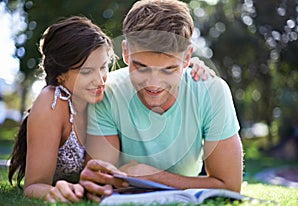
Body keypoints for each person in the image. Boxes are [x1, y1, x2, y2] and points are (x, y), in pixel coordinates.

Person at [7, 15, 213, 203]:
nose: (99, 80)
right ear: (61, 74)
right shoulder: (51, 103)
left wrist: (186, 66)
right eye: (86, 71)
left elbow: (151, 71)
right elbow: (34, 186)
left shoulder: (111, 95)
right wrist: (54, 191)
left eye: (103, 67)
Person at [80, 0, 243, 202]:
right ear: (125, 52)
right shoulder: (107, 93)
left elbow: (229, 185)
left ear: (187, 57)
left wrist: (151, 176)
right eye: (141, 67)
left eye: (169, 69)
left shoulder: (212, 91)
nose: (154, 84)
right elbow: (100, 182)